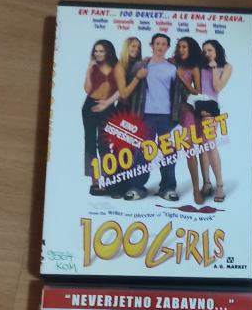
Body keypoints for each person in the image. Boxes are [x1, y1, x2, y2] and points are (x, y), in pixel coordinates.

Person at [124, 33, 180, 202]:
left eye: (163, 44)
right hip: (145, 115)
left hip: (167, 117)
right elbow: (129, 86)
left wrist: (177, 116)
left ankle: (168, 188)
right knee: (142, 153)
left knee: (169, 152)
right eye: (157, 43)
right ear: (152, 45)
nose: (160, 46)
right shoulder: (142, 65)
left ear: (167, 47)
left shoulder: (173, 68)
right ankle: (137, 187)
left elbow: (178, 93)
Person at [82, 40, 118, 195]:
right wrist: (88, 69)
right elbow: (87, 89)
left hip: (108, 107)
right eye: (96, 51)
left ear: (108, 52)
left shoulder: (117, 67)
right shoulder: (94, 67)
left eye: (101, 51)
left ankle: (108, 180)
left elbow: (121, 90)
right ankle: (95, 182)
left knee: (104, 144)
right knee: (90, 144)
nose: (97, 54)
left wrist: (108, 102)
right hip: (90, 106)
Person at [198, 40, 232, 202]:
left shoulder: (226, 67)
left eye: (210, 50)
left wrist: (213, 69)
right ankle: (206, 183)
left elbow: (217, 88)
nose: (207, 53)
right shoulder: (200, 66)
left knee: (210, 144)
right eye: (204, 51)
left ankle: (219, 185)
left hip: (211, 107)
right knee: (202, 147)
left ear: (217, 51)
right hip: (196, 106)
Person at [173, 36, 204, 204]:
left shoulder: (194, 68)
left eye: (184, 46)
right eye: (179, 46)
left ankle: (196, 190)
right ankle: (167, 186)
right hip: (170, 110)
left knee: (189, 151)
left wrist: (183, 79)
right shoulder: (173, 63)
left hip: (187, 111)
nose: (181, 49)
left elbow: (198, 91)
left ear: (190, 49)